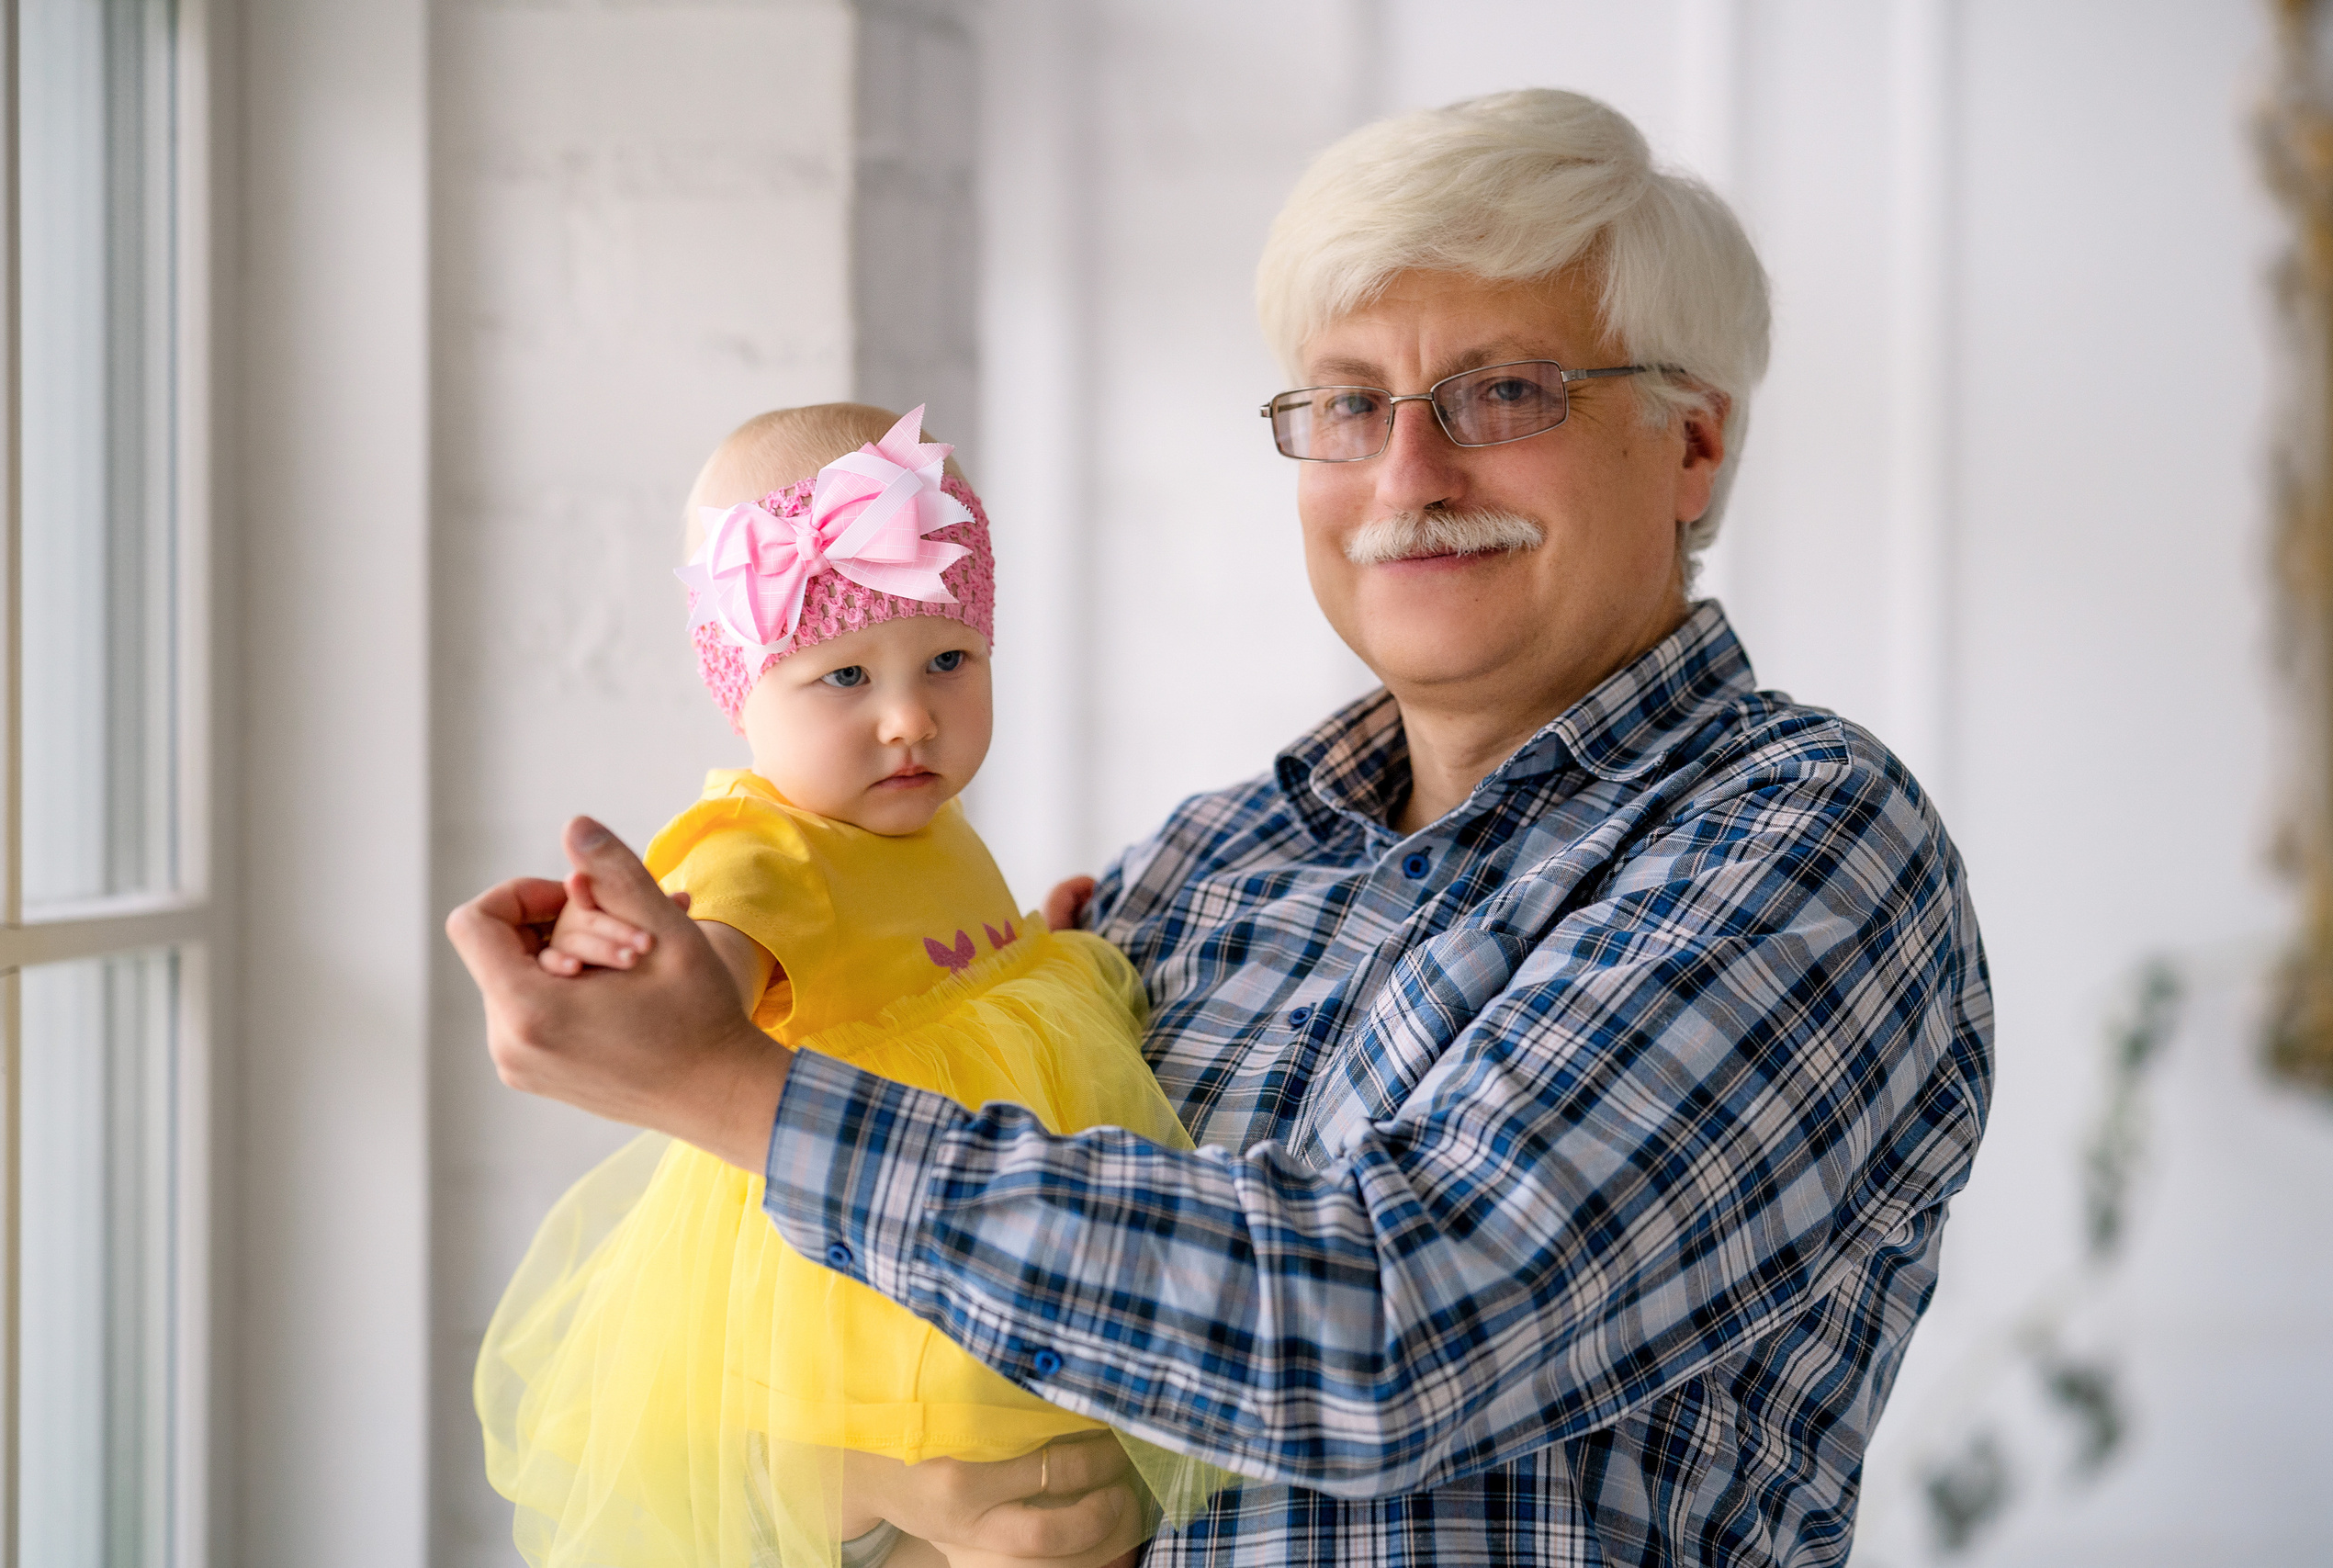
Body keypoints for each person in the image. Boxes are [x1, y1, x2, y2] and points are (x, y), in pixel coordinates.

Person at [449, 89, 1993, 1566]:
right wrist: (885, 1497)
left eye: (1504, 391)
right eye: (1347, 402)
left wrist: (735, 1089)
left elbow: (1397, 1327)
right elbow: (931, 1343)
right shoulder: (1203, 866)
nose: (1408, 473)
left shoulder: (1800, 842)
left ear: (1693, 445)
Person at [477, 402, 1227, 1568]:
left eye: (947, 659)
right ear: (744, 693)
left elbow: (918, 965)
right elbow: (710, 977)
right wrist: (618, 957)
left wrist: (1035, 952)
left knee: (1045, 1503)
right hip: (859, 1272)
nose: (907, 716)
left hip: (970, 1216)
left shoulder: (918, 815)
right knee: (987, 1491)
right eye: (841, 676)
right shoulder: (757, 850)